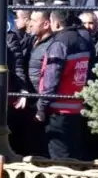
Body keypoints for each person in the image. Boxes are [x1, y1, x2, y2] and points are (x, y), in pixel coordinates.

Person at [35, 10, 93, 160]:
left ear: (56, 23)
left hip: (58, 108)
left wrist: (42, 106)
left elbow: (51, 77)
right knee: (74, 153)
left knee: (59, 155)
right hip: (77, 105)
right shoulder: (82, 40)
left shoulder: (60, 43)